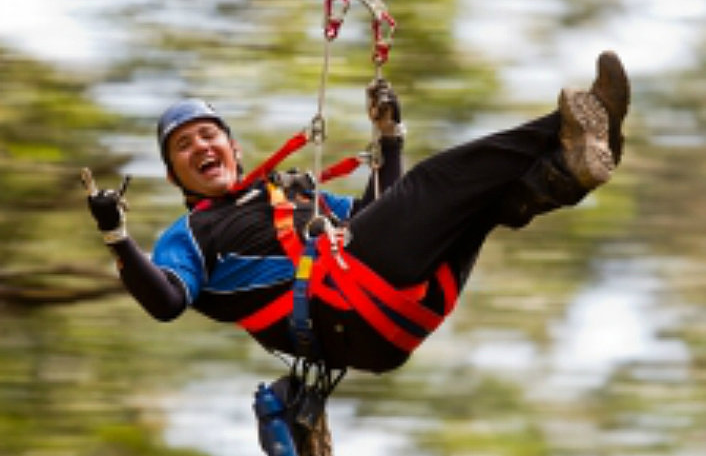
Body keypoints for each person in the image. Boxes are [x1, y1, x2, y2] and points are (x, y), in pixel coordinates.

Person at [86, 51, 630, 374]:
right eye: (183, 146)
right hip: (345, 311)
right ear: (174, 177)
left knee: (480, 202)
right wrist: (116, 236)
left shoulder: (288, 196)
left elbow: (386, 214)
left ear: (234, 149)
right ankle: (576, 123)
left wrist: (389, 139)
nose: (200, 147)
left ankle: (571, 167)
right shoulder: (190, 234)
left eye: (209, 135)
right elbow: (165, 303)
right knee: (437, 181)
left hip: (397, 303)